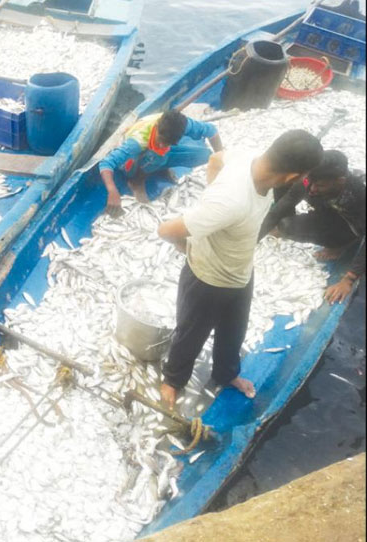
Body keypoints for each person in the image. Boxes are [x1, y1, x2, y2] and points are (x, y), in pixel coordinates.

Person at [156, 129, 323, 408]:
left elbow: (216, 160)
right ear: (292, 177)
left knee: (234, 331)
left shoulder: (252, 158)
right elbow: (165, 229)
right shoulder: (229, 201)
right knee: (191, 333)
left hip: (240, 272)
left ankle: (226, 374)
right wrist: (186, 243)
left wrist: (210, 202)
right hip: (207, 279)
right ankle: (173, 380)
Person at [259, 149, 365, 304]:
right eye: (311, 182)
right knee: (286, 224)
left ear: (341, 181)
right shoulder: (312, 180)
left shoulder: (359, 194)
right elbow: (285, 203)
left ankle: (342, 244)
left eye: (320, 185)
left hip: (354, 224)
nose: (312, 189)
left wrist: (348, 279)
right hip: (332, 210)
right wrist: (254, 237)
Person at [98, 109, 223, 209]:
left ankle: (159, 165)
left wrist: (221, 155)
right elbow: (106, 163)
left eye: (169, 142)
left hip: (156, 153)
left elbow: (211, 131)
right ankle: (136, 182)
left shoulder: (181, 125)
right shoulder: (137, 141)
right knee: (158, 155)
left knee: (205, 155)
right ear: (157, 126)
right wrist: (112, 190)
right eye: (161, 139)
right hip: (131, 161)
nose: (163, 144)